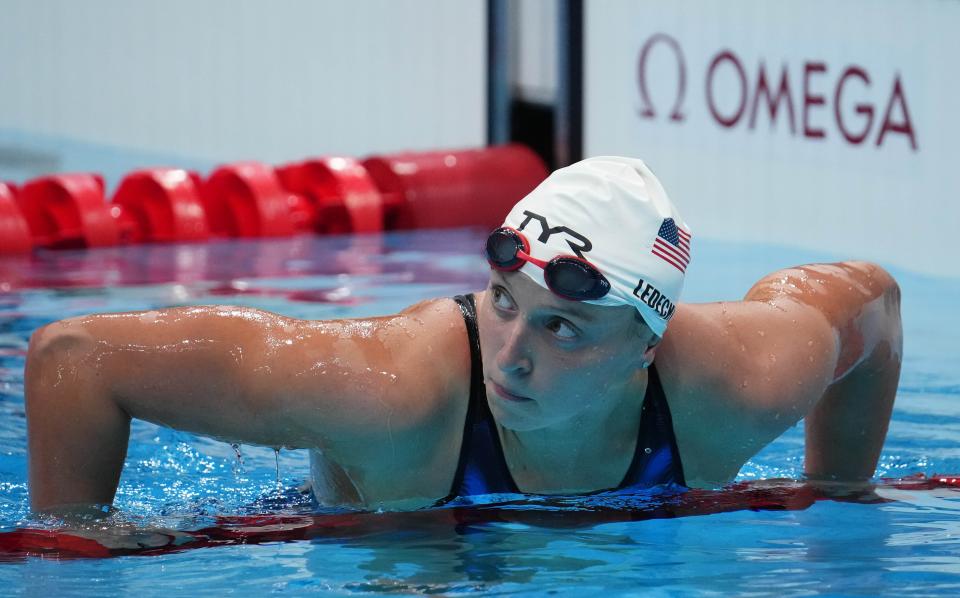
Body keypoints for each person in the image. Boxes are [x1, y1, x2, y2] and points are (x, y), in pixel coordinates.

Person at [23, 157, 903, 513]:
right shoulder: (387, 387)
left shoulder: (736, 385)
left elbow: (874, 302)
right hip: (384, 536)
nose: (512, 351)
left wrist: (836, 493)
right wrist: (78, 550)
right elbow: (76, 359)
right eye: (504, 299)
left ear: (646, 349)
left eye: (562, 327)